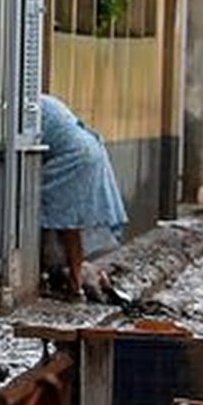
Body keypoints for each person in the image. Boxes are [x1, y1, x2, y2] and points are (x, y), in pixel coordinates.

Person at [39, 94, 128, 302]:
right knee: (70, 223)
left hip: (74, 156)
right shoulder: (46, 102)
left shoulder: (30, 108)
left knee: (53, 215)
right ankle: (74, 282)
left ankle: (68, 282)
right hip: (89, 149)